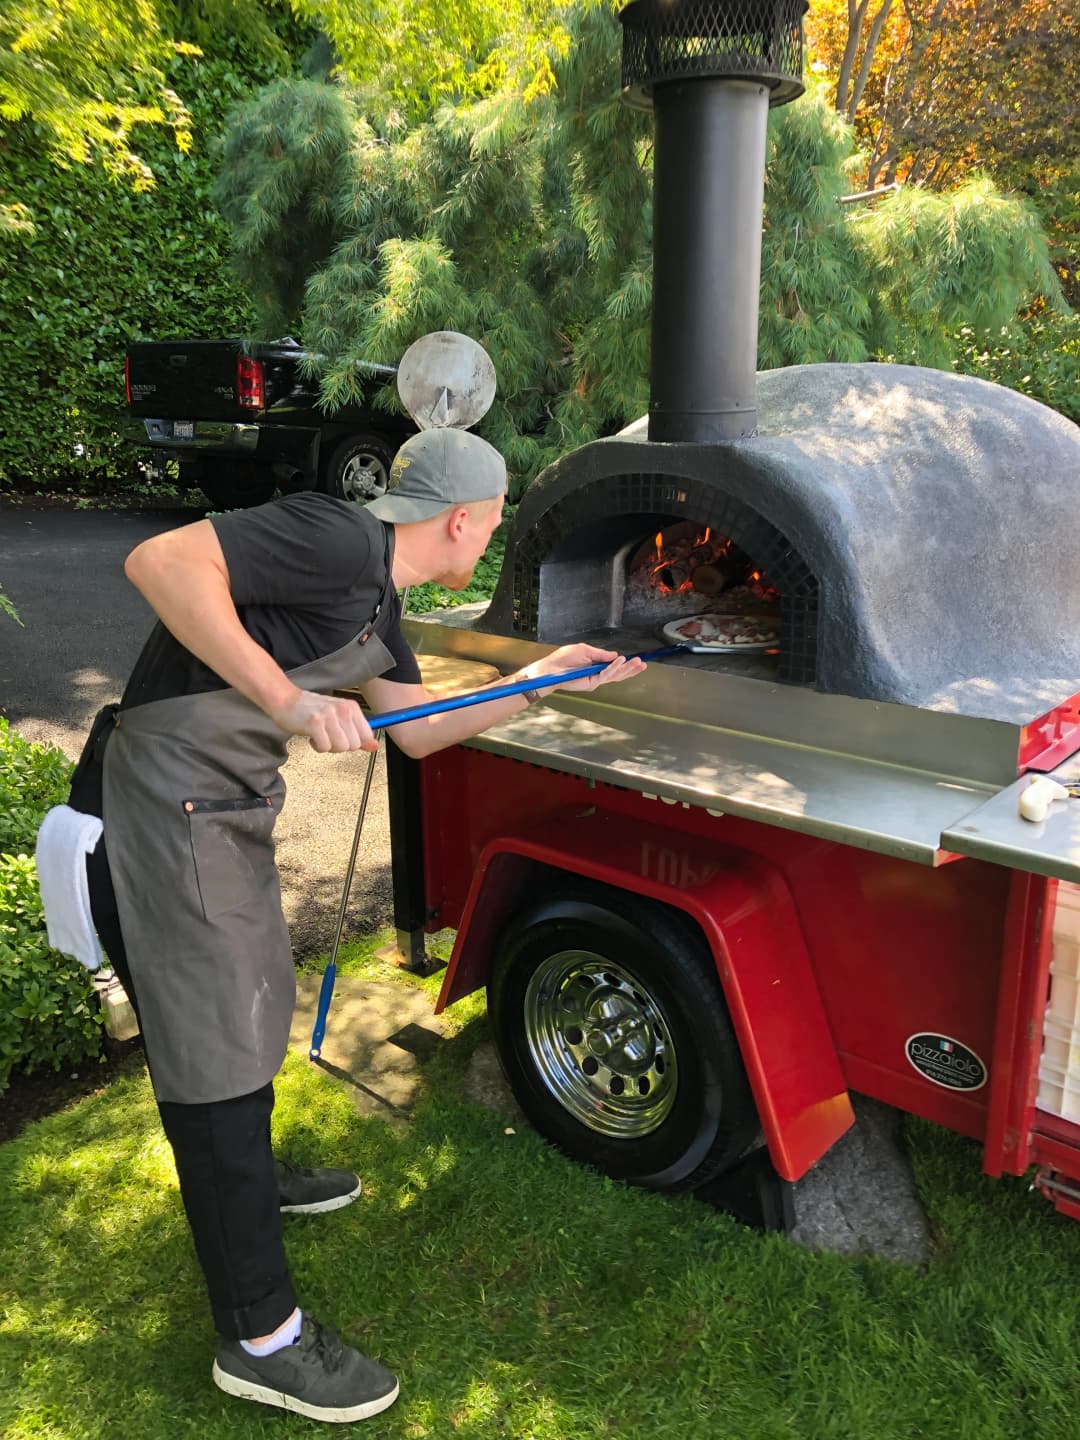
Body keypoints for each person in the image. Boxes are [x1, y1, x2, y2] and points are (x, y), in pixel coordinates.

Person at [66, 425, 645, 1424]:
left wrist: (544, 683)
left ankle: (250, 1179)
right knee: (213, 1039)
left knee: (248, 1009)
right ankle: (260, 1338)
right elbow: (159, 560)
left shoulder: (382, 600)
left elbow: (415, 730)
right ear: (463, 520)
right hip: (167, 808)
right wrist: (289, 698)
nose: (493, 539)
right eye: (496, 523)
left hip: (219, 808)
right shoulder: (335, 537)